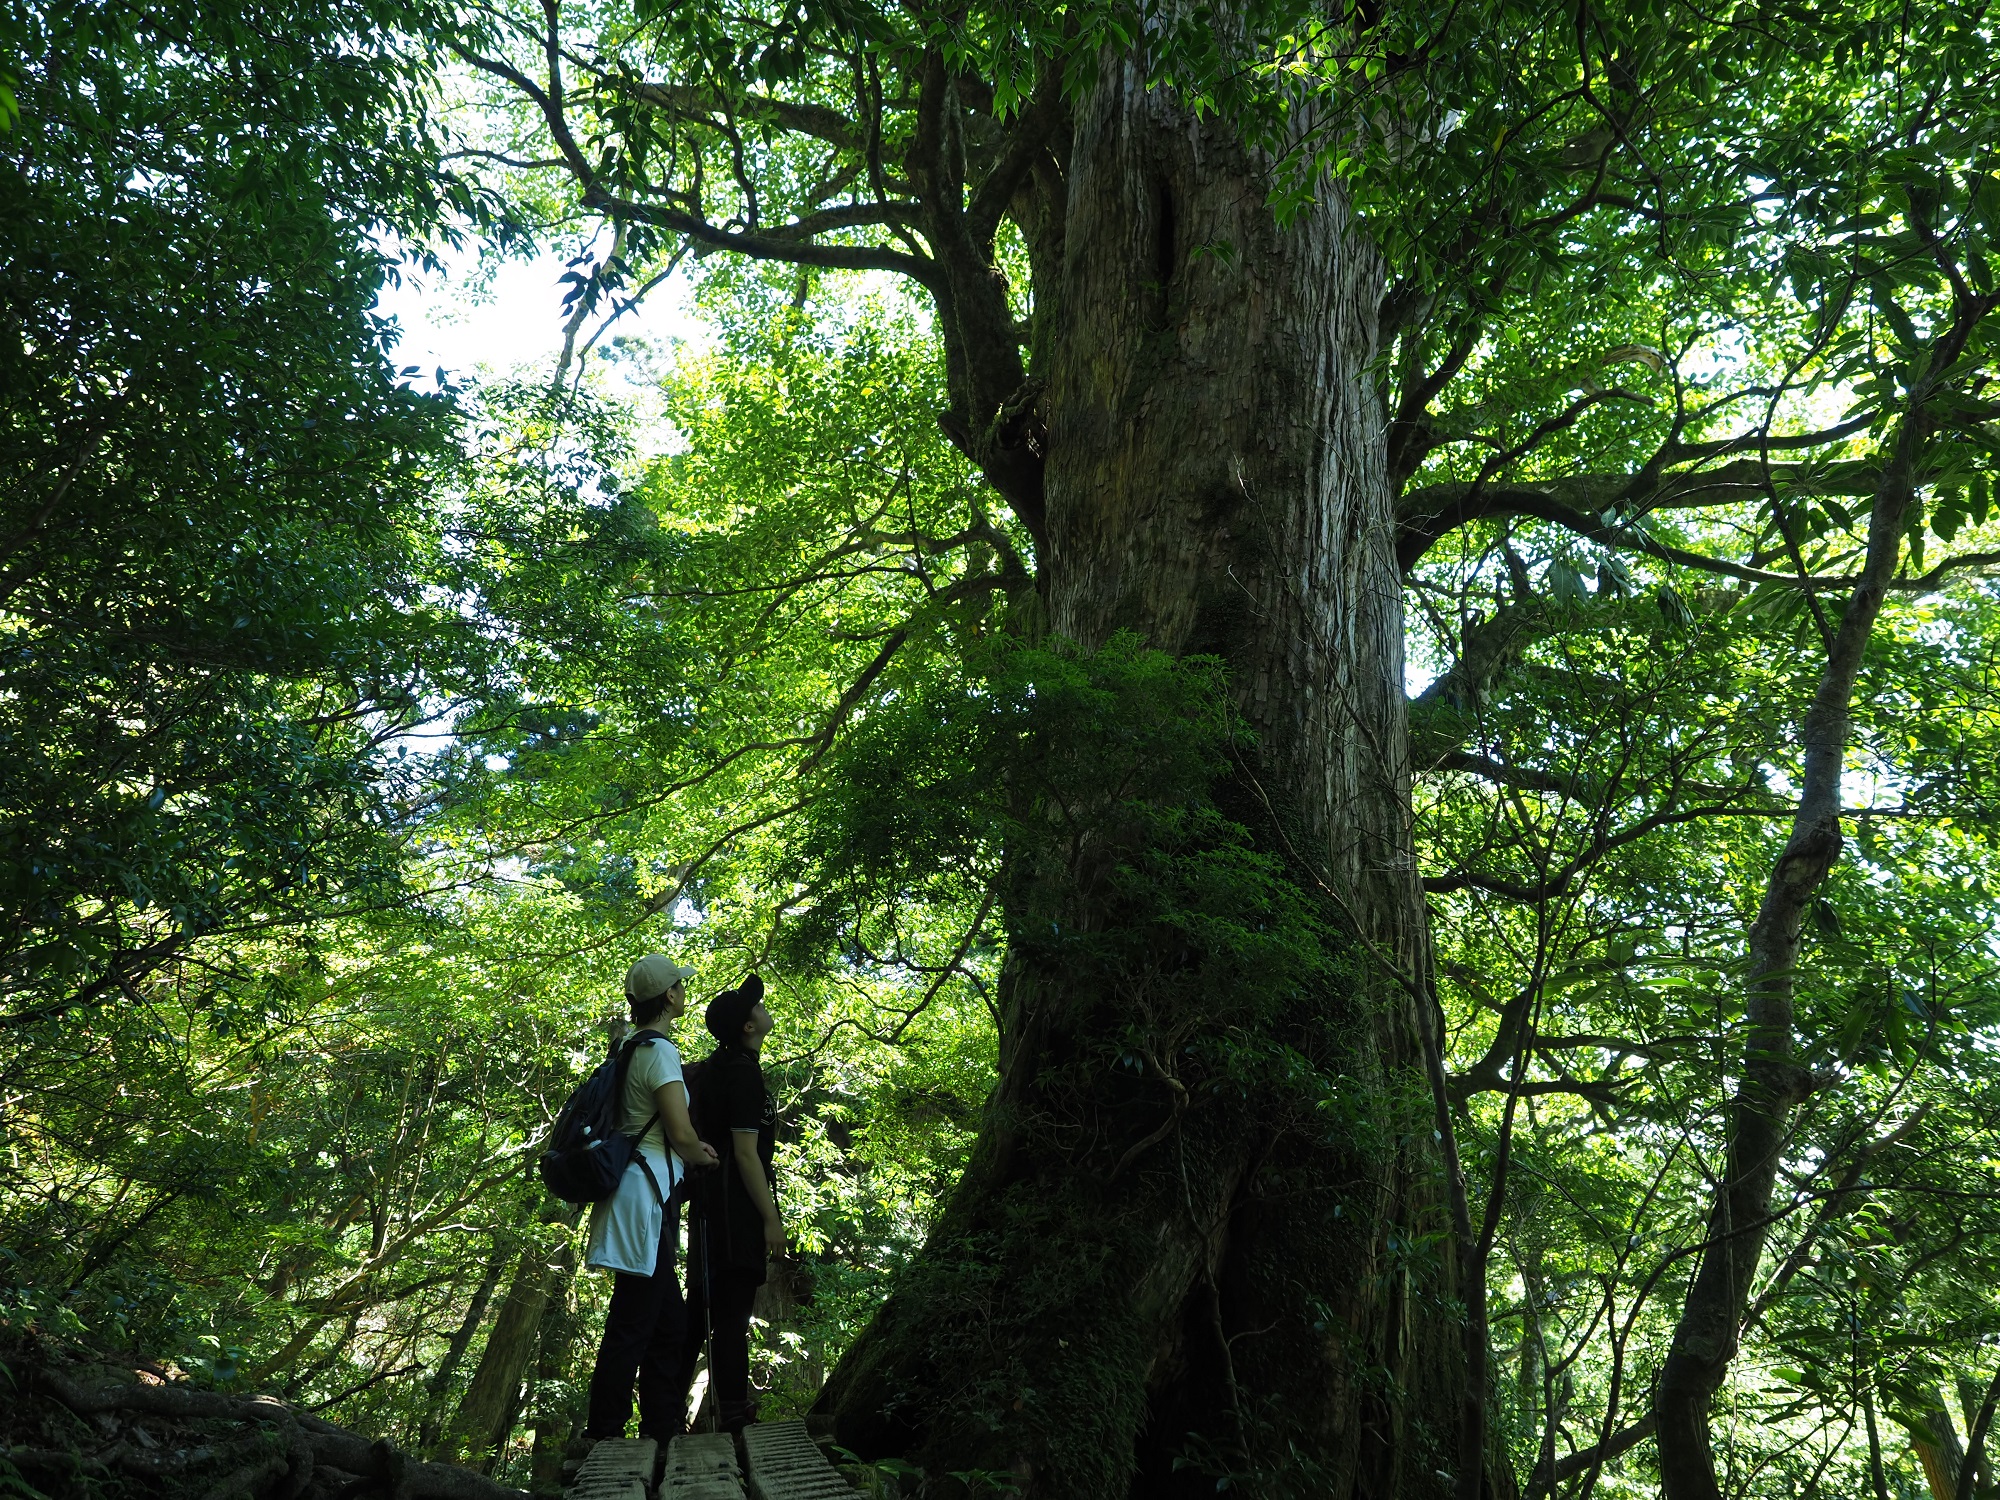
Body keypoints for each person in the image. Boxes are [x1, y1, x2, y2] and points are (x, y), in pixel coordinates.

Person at [581, 954, 719, 1443]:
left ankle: (660, 1428)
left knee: (667, 1323)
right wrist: (704, 1153)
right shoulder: (659, 1051)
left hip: (638, 1191)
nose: (684, 991)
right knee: (634, 1320)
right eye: (679, 985)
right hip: (647, 1197)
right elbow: (679, 1132)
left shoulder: (629, 1047)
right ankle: (604, 1433)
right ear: (668, 996)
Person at [676, 973, 784, 1433]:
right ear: (747, 1027)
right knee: (731, 1313)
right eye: (754, 1007)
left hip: (709, 1206)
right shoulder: (741, 1073)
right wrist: (770, 1219)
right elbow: (745, 1154)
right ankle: (735, 1416)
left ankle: (666, 1414)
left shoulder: (724, 1067)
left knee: (704, 1310)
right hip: (732, 1208)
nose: (762, 1008)